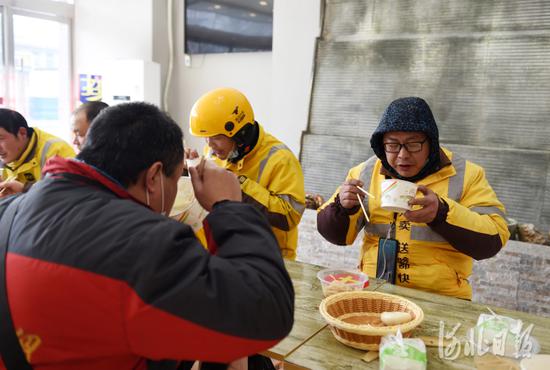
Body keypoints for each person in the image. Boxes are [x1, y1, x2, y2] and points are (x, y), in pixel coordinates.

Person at [0, 102, 294, 369]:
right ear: (154, 177)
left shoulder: (11, 208)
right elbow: (268, 311)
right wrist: (229, 206)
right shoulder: (144, 246)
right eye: (177, 176)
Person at [317, 97, 510, 299]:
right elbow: (335, 236)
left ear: (431, 142)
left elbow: (494, 238)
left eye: (413, 144)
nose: (402, 155)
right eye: (392, 144)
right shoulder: (365, 172)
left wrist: (441, 213)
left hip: (442, 298)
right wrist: (343, 207)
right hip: (374, 291)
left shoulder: (466, 174)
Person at [188, 87, 306, 260]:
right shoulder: (215, 151)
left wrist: (237, 184)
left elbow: (289, 217)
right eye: (206, 138)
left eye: (216, 138)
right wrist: (192, 170)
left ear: (240, 134)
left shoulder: (281, 159)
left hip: (270, 256)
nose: (210, 145)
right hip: (230, 247)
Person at [0, 108, 75, 196]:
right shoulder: (8, 153)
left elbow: (68, 195)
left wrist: (26, 190)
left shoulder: (57, 151)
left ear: (22, 133)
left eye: (0, 139)